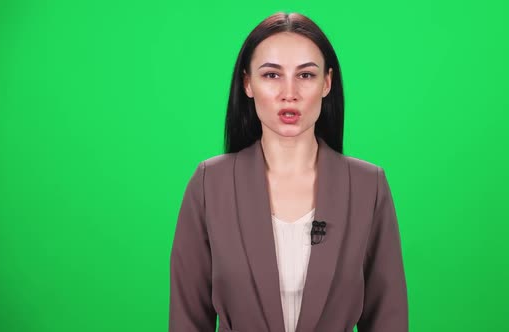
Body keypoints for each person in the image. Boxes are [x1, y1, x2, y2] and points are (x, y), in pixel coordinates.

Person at [169, 12, 408, 332]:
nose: (289, 92)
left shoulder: (369, 186)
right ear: (247, 83)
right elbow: (187, 321)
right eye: (271, 75)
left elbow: (387, 320)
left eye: (306, 75)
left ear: (327, 83)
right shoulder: (209, 185)